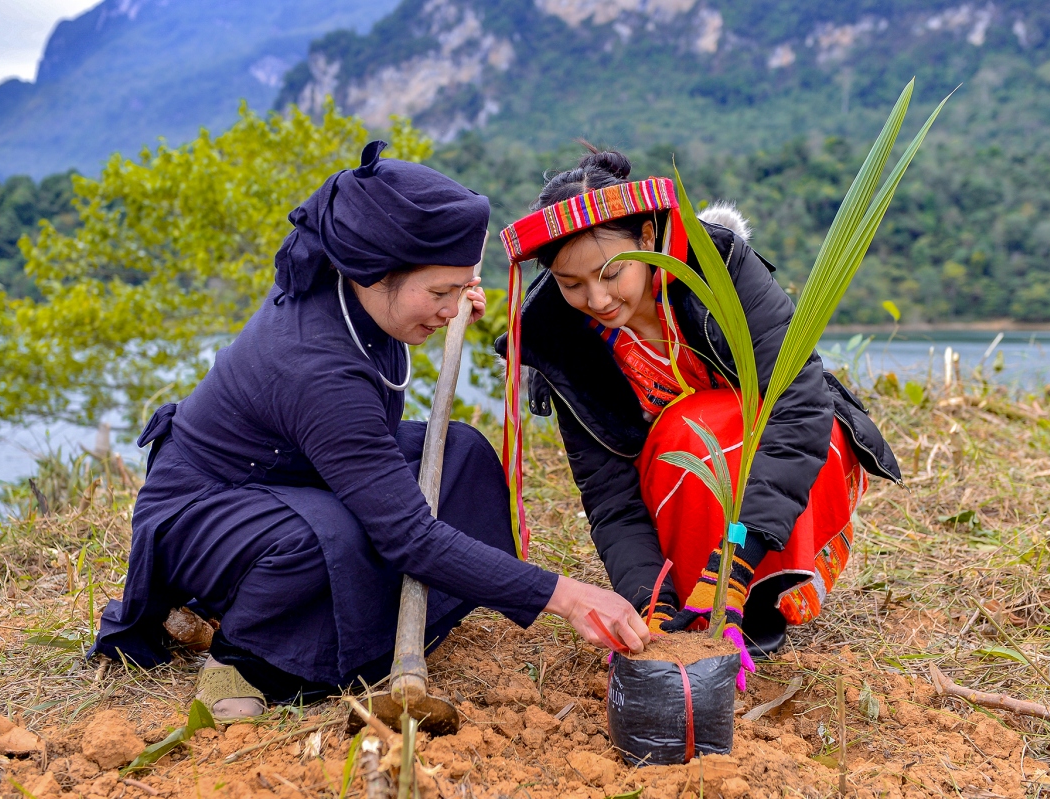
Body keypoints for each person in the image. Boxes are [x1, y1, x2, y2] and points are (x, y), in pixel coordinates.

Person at [93, 141, 649, 720]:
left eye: (463, 286)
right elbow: (408, 535)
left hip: (296, 471)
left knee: (462, 455)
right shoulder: (316, 366)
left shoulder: (355, 287)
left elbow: (420, 313)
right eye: (440, 293)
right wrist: (566, 596)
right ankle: (247, 657)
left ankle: (348, 621)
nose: (452, 306)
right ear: (375, 273)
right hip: (208, 507)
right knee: (334, 537)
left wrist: (449, 294)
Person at [495, 147, 901, 685]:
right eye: (572, 285)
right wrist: (649, 599)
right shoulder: (562, 344)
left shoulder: (719, 269)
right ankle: (690, 599)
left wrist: (737, 557)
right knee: (684, 433)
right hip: (673, 498)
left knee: (704, 423)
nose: (596, 297)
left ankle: (753, 589)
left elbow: (798, 405)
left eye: (611, 273)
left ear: (646, 237)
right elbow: (610, 494)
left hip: (783, 464)